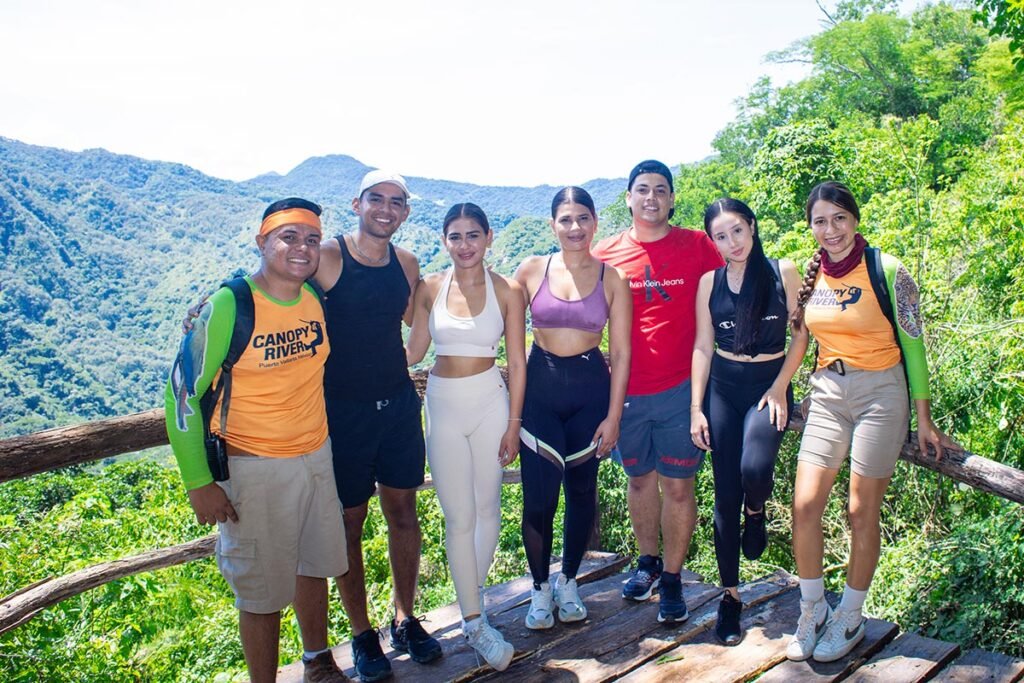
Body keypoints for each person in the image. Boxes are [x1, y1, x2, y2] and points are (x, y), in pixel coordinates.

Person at [165, 198, 350, 682]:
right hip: (256, 467)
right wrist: (198, 482)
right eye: (288, 236)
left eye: (312, 239)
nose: (302, 247)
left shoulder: (313, 297)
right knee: (262, 593)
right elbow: (181, 394)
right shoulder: (228, 305)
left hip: (315, 455)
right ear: (262, 242)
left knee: (315, 567)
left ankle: (318, 661)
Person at [786, 181, 958, 663]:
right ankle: (813, 607)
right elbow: (803, 338)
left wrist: (924, 417)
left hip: (882, 394)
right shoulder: (813, 273)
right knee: (804, 505)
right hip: (827, 392)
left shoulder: (888, 269)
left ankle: (850, 615)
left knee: (861, 510)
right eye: (821, 220)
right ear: (812, 227)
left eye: (839, 217)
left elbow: (914, 345)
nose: (831, 229)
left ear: (855, 219)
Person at [318, 170, 441, 681]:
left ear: (406, 212)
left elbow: (421, 320)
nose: (386, 209)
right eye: (377, 200)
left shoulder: (406, 264)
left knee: (404, 513)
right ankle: (362, 632)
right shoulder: (327, 256)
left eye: (396, 202)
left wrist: (416, 358)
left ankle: (404, 616)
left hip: (395, 406)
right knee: (348, 523)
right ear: (356, 204)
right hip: (340, 411)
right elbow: (271, 288)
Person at [591, 160, 724, 624]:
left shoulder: (699, 246)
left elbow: (734, 286)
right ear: (628, 197)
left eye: (660, 190)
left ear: (671, 198)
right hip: (624, 393)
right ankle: (646, 563)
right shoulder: (604, 254)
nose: (651, 197)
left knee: (678, 485)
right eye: (642, 189)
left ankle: (671, 578)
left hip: (681, 389)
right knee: (640, 480)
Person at [405, 203, 526, 671]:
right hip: (443, 404)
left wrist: (515, 423)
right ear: (444, 241)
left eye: (473, 235)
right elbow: (414, 350)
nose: (465, 244)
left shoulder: (508, 291)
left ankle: (471, 608)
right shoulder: (430, 288)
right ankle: (475, 621)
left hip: (491, 401)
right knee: (458, 517)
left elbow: (517, 361)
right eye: (455, 236)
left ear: (489, 237)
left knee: (488, 507)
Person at [689, 198, 808, 645]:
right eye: (721, 236)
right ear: (713, 241)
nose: (731, 242)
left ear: (752, 226)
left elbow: (801, 335)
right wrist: (695, 408)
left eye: (737, 230)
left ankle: (755, 512)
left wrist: (779, 387)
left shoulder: (783, 271)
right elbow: (703, 346)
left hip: (767, 384)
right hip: (723, 385)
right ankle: (730, 597)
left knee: (754, 471)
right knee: (724, 491)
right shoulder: (709, 282)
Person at [512, 186, 631, 629]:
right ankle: (539, 588)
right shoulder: (530, 270)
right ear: (552, 225)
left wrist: (614, 415)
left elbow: (620, 354)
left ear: (595, 221)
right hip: (541, 389)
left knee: (582, 493)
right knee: (539, 498)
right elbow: (502, 326)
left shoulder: (612, 278)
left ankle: (569, 580)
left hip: (589, 393)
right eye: (566, 219)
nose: (575, 227)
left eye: (583, 217)